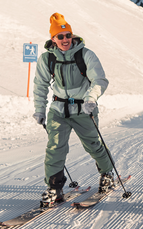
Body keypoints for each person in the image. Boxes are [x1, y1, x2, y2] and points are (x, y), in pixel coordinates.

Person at [32, 13, 116, 208]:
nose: (65, 40)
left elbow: (100, 80)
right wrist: (39, 109)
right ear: (53, 39)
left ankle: (107, 174)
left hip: (84, 108)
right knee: (55, 147)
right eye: (60, 37)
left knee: (93, 145)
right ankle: (54, 188)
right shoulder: (46, 59)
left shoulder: (85, 54)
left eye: (68, 35)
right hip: (58, 109)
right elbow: (40, 85)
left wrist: (91, 98)